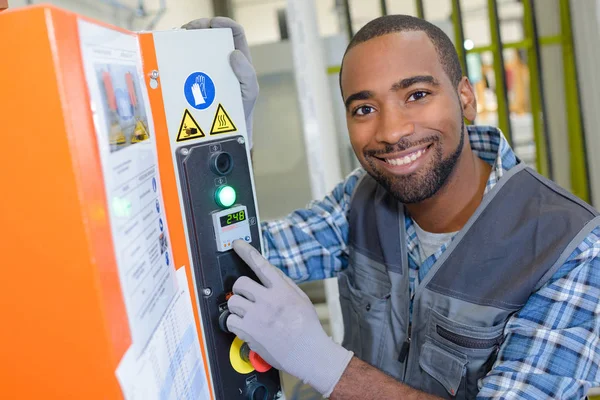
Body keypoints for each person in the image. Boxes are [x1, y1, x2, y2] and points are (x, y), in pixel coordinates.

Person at [183, 15, 600, 399]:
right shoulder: (361, 199)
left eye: (417, 94)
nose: (392, 131)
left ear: (466, 98)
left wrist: (321, 362)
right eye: (364, 109)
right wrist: (223, 149)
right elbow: (240, 254)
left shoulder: (571, 249)